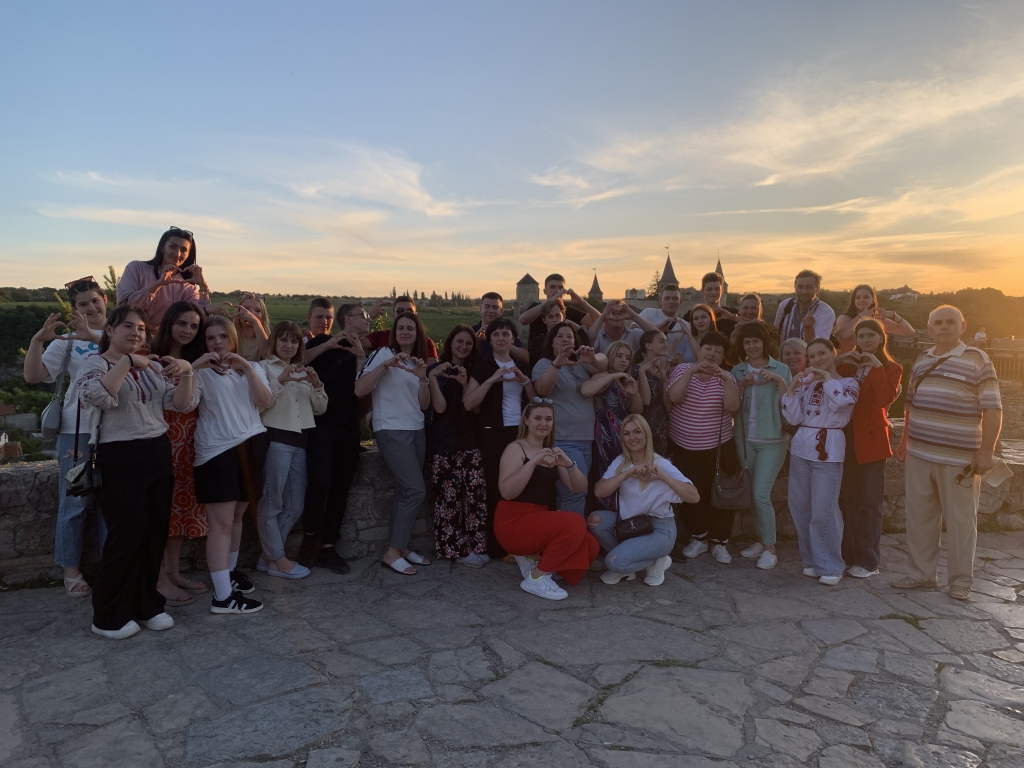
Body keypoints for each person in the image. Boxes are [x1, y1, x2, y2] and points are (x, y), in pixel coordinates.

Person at [78, 305, 196, 639]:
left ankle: (147, 605)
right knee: (125, 535)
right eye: (128, 326)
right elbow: (99, 395)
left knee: (154, 533)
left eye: (141, 328)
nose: (136, 333)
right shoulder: (96, 364)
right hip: (118, 455)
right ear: (110, 330)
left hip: (156, 450)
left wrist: (188, 371)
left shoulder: (150, 367)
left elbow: (179, 403)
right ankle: (109, 616)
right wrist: (127, 362)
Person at [893, 305, 1002, 601]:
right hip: (920, 453)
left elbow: (993, 409)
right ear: (929, 329)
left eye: (950, 322)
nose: (943, 327)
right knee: (919, 519)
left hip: (960, 459)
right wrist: (904, 441)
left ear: (962, 326)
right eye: (938, 322)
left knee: (961, 522)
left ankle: (961, 581)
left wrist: (986, 452)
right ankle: (922, 575)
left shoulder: (977, 359)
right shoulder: (922, 359)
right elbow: (910, 404)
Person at [23, 277, 107, 598]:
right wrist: (37, 341)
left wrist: (96, 336)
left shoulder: (119, 334)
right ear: (75, 310)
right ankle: (70, 570)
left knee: (111, 505)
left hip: (116, 431)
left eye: (95, 300)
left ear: (105, 300)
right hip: (76, 432)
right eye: (83, 304)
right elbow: (34, 376)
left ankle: (112, 566)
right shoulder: (67, 342)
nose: (91, 307)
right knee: (74, 503)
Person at [192, 315, 273, 614]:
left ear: (233, 338)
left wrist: (248, 369)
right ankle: (223, 597)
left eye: (222, 337)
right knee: (221, 525)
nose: (217, 343)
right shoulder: (200, 372)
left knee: (237, 517)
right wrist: (193, 369)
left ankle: (229, 573)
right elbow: (185, 403)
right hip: (217, 451)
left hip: (250, 446)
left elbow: (265, 402)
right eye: (210, 338)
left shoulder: (252, 368)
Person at [495, 400, 598, 600]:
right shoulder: (515, 449)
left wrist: (569, 464)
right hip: (512, 522)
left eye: (548, 419)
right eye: (538, 418)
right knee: (574, 522)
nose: (543, 423)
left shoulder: (551, 451)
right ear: (526, 420)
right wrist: (533, 462)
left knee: (590, 545)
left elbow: (579, 488)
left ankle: (538, 562)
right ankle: (537, 577)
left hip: (537, 519)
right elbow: (507, 492)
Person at [355, 312, 433, 575]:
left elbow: (424, 404)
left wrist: (422, 378)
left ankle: (401, 547)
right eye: (401, 328)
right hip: (391, 429)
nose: (405, 332)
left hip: (416, 430)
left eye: (410, 328)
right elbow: (359, 389)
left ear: (417, 333)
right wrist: (386, 365)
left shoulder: (416, 360)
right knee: (415, 490)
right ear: (394, 332)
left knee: (404, 491)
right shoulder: (383, 354)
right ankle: (391, 552)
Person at [781, 338, 859, 586]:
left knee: (824, 509)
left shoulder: (848, 383)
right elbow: (793, 418)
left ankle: (831, 564)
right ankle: (812, 560)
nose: (817, 359)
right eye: (812, 356)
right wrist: (792, 389)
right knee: (800, 507)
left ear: (833, 353)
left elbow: (841, 404)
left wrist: (826, 379)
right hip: (801, 449)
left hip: (828, 451)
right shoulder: (806, 385)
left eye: (822, 353)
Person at [298, 303, 368, 574]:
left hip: (348, 427)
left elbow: (361, 390)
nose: (367, 319)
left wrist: (361, 357)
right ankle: (310, 538)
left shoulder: (363, 350)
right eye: (363, 315)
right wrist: (328, 345)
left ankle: (328, 547)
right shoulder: (322, 342)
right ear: (348, 319)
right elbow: (298, 361)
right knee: (320, 481)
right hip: (322, 425)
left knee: (341, 487)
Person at [255, 321, 328, 580]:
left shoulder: (304, 371)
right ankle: (278, 560)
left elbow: (319, 409)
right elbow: (259, 404)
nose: (289, 345)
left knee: (295, 505)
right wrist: (280, 381)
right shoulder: (263, 368)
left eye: (294, 341)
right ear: (274, 341)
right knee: (271, 503)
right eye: (283, 340)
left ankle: (268, 556)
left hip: (300, 443)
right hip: (275, 440)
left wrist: (317, 385)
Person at [589, 415, 699, 585]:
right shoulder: (621, 461)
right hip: (631, 524)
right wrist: (626, 474)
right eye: (626, 433)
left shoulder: (660, 463)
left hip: (660, 529)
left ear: (646, 434)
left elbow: (694, 496)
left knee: (612, 562)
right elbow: (599, 491)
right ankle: (628, 563)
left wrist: (662, 477)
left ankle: (656, 560)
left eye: (637, 432)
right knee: (594, 520)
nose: (632, 437)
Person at [148, 301, 209, 606]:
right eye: (182, 323)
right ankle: (157, 578)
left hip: (188, 445)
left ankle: (173, 571)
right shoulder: (153, 359)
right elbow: (175, 403)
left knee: (179, 514)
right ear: (169, 323)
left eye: (194, 326)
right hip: (160, 443)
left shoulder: (196, 360)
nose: (187, 330)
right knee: (159, 515)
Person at [836, 319, 902, 579]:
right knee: (847, 500)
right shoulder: (847, 364)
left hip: (872, 441)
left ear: (881, 338)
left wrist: (876, 367)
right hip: (846, 438)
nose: (865, 340)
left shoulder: (892, 368)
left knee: (870, 503)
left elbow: (885, 399)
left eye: (870, 335)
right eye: (861, 336)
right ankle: (846, 554)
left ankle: (868, 560)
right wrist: (840, 359)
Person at [464, 318, 536, 556]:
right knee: (496, 487)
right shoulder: (482, 366)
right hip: (492, 433)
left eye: (506, 334)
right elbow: (469, 403)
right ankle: (497, 546)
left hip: (520, 433)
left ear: (513, 338)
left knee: (522, 487)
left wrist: (524, 381)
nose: (501, 338)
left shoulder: (522, 366)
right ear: (490, 339)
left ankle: (521, 542)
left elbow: (536, 401)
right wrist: (491, 380)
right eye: (496, 334)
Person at [667, 332, 741, 563]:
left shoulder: (727, 377)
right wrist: (690, 372)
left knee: (722, 494)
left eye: (718, 351)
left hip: (718, 448)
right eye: (708, 348)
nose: (712, 354)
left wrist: (726, 380)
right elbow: (674, 397)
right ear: (699, 350)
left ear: (722, 357)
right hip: (684, 447)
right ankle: (698, 537)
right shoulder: (682, 370)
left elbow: (732, 407)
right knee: (691, 494)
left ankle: (720, 541)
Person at [730, 322, 792, 570]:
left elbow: (790, 405)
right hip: (744, 440)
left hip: (773, 440)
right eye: (747, 342)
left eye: (756, 341)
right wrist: (742, 385)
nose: (752, 346)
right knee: (751, 494)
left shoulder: (781, 369)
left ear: (765, 343)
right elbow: (731, 406)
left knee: (760, 494)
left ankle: (769, 549)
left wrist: (778, 380)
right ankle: (760, 540)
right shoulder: (737, 371)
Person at [531, 322, 608, 515]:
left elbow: (604, 362)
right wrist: (557, 364)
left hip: (586, 439)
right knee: (573, 493)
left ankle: (570, 529)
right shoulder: (545, 364)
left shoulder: (581, 363)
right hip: (563, 440)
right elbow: (542, 390)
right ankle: (571, 532)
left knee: (580, 491)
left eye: (570, 336)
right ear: (551, 341)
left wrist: (592, 358)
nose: (565, 339)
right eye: (560, 336)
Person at [427, 325, 488, 566]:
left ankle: (476, 545)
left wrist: (465, 385)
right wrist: (433, 378)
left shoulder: (474, 372)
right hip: (443, 443)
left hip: (470, 441)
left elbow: (476, 409)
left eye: (468, 343)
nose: (463, 347)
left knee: (475, 497)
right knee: (448, 499)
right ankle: (455, 550)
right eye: (459, 342)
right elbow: (439, 408)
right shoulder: (437, 370)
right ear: (450, 343)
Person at [117, 227, 211, 328]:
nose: (178, 254)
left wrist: (203, 287)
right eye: (173, 247)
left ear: (188, 255)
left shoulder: (188, 288)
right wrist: (157, 285)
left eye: (183, 250)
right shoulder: (137, 268)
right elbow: (124, 308)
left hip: (163, 337)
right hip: (130, 333)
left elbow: (199, 320)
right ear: (162, 248)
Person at [586, 340, 643, 488]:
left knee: (623, 476)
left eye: (627, 357)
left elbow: (637, 411)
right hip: (605, 436)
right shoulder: (603, 375)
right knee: (606, 474)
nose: (624, 360)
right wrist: (611, 376)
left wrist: (635, 394)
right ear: (610, 356)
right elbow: (586, 390)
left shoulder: (625, 381)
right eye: (619, 356)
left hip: (623, 436)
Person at [519, 274, 599, 360]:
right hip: (539, 358)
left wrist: (582, 302)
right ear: (545, 291)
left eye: (561, 288)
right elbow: (523, 320)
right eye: (552, 287)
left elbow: (600, 321)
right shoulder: (537, 308)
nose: (557, 291)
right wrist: (550, 300)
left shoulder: (569, 311)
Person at [835, 285, 915, 354]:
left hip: (874, 362)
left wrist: (893, 315)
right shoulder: (844, 318)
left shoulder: (877, 320)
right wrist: (861, 316)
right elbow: (843, 335)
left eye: (866, 297)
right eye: (858, 297)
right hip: (849, 362)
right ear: (853, 301)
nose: (862, 300)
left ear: (873, 299)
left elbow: (909, 331)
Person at [630, 330, 673, 456]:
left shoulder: (663, 370)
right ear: (649, 345)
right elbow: (646, 401)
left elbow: (668, 406)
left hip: (662, 427)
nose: (666, 345)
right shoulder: (635, 370)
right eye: (661, 341)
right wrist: (642, 372)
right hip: (643, 427)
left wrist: (664, 381)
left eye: (666, 341)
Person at [363, 295, 439, 363]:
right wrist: (368, 317)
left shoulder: (425, 343)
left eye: (410, 311)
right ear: (392, 315)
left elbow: (433, 370)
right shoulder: (380, 337)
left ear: (416, 316)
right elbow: (357, 345)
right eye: (400, 311)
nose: (405, 314)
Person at [774, 269, 836, 343]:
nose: (804, 292)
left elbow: (818, 345)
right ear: (795, 288)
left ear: (817, 289)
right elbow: (775, 334)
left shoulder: (825, 313)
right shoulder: (786, 305)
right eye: (800, 287)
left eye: (809, 287)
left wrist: (809, 328)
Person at [474, 292, 528, 366]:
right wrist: (474, 339)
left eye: (495, 307)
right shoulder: (471, 331)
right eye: (487, 307)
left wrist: (504, 343)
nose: (491, 311)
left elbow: (526, 358)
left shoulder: (508, 332)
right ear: (480, 309)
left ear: (501, 311)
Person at [586, 299, 658, 354]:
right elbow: (588, 340)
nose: (617, 316)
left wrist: (633, 316)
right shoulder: (598, 336)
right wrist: (602, 318)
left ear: (625, 319)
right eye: (613, 313)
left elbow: (656, 335)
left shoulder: (634, 334)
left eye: (620, 313)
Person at [637, 284, 691, 358]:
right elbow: (632, 332)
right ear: (661, 301)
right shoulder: (648, 313)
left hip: (668, 365)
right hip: (646, 363)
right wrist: (658, 328)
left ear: (680, 301)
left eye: (675, 298)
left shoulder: (685, 326)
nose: (671, 301)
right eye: (667, 298)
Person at [684, 273, 739, 338]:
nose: (713, 292)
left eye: (717, 289)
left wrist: (732, 317)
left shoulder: (731, 313)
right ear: (702, 291)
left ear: (722, 290)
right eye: (709, 289)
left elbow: (749, 325)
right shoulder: (692, 315)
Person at [728, 294, 780, 359]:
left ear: (760, 311)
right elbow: (730, 360)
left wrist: (761, 330)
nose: (749, 311)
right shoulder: (733, 329)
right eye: (745, 308)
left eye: (753, 308)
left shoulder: (770, 329)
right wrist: (733, 337)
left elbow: (774, 354)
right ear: (739, 310)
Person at [527, 298, 569, 365]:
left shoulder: (571, 339)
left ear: (563, 316)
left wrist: (578, 328)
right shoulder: (537, 343)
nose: (555, 320)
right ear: (544, 320)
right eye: (550, 317)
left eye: (557, 315)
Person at [231, 292, 271, 361]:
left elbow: (268, 357)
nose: (251, 313)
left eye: (257, 310)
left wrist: (256, 322)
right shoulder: (229, 336)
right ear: (238, 311)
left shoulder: (271, 339)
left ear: (263, 316)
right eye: (246, 309)